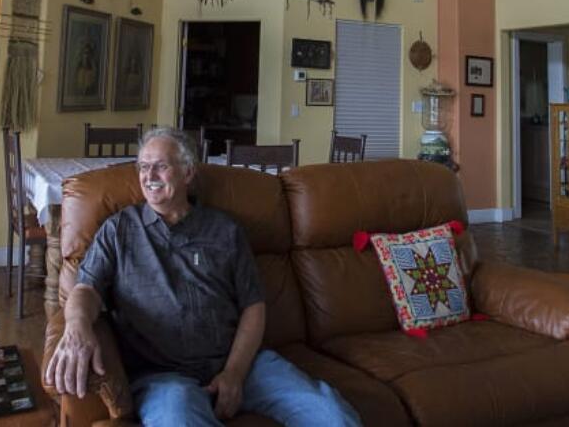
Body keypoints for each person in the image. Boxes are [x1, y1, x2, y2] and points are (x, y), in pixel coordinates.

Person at [44, 127, 361, 427]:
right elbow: (86, 287)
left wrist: (234, 373)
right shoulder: (120, 230)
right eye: (142, 167)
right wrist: (77, 325)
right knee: (179, 417)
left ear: (188, 173)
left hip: (242, 364)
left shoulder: (224, 230)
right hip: (163, 376)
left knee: (332, 413)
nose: (149, 177)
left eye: (160, 167)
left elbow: (254, 306)